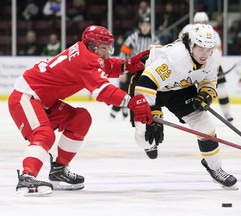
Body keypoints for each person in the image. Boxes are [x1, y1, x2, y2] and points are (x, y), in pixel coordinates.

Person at [8, 25, 152, 196]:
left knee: (81, 118)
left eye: (109, 48)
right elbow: (103, 90)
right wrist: (131, 102)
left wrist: (126, 65)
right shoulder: (86, 60)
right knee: (44, 134)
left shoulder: (85, 52)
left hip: (43, 100)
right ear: (92, 46)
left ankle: (59, 169)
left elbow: (105, 65)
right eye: (104, 48)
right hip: (26, 97)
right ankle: (27, 178)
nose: (107, 53)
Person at [131, 23, 238, 190]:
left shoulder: (213, 57)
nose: (205, 54)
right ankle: (149, 144)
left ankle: (215, 167)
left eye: (209, 49)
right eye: (200, 48)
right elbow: (146, 84)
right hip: (152, 88)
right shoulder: (176, 58)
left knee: (205, 126)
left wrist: (206, 94)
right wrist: (150, 115)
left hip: (180, 88)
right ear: (191, 45)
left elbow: (209, 80)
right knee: (144, 137)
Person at [179, 12, 234, 122]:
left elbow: (217, 52)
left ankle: (227, 113)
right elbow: (180, 45)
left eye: (203, 22)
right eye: (198, 22)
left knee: (221, 88)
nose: (201, 24)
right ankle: (185, 112)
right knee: (186, 87)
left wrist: (214, 66)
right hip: (191, 63)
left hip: (210, 63)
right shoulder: (188, 30)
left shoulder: (213, 33)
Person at [110, 16, 160, 119]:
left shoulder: (155, 39)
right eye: (143, 25)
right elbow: (123, 53)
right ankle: (115, 110)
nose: (145, 27)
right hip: (131, 69)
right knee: (124, 89)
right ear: (139, 26)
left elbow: (158, 56)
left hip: (147, 71)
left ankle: (127, 110)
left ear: (150, 26)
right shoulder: (133, 38)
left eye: (147, 25)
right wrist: (121, 70)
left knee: (140, 92)